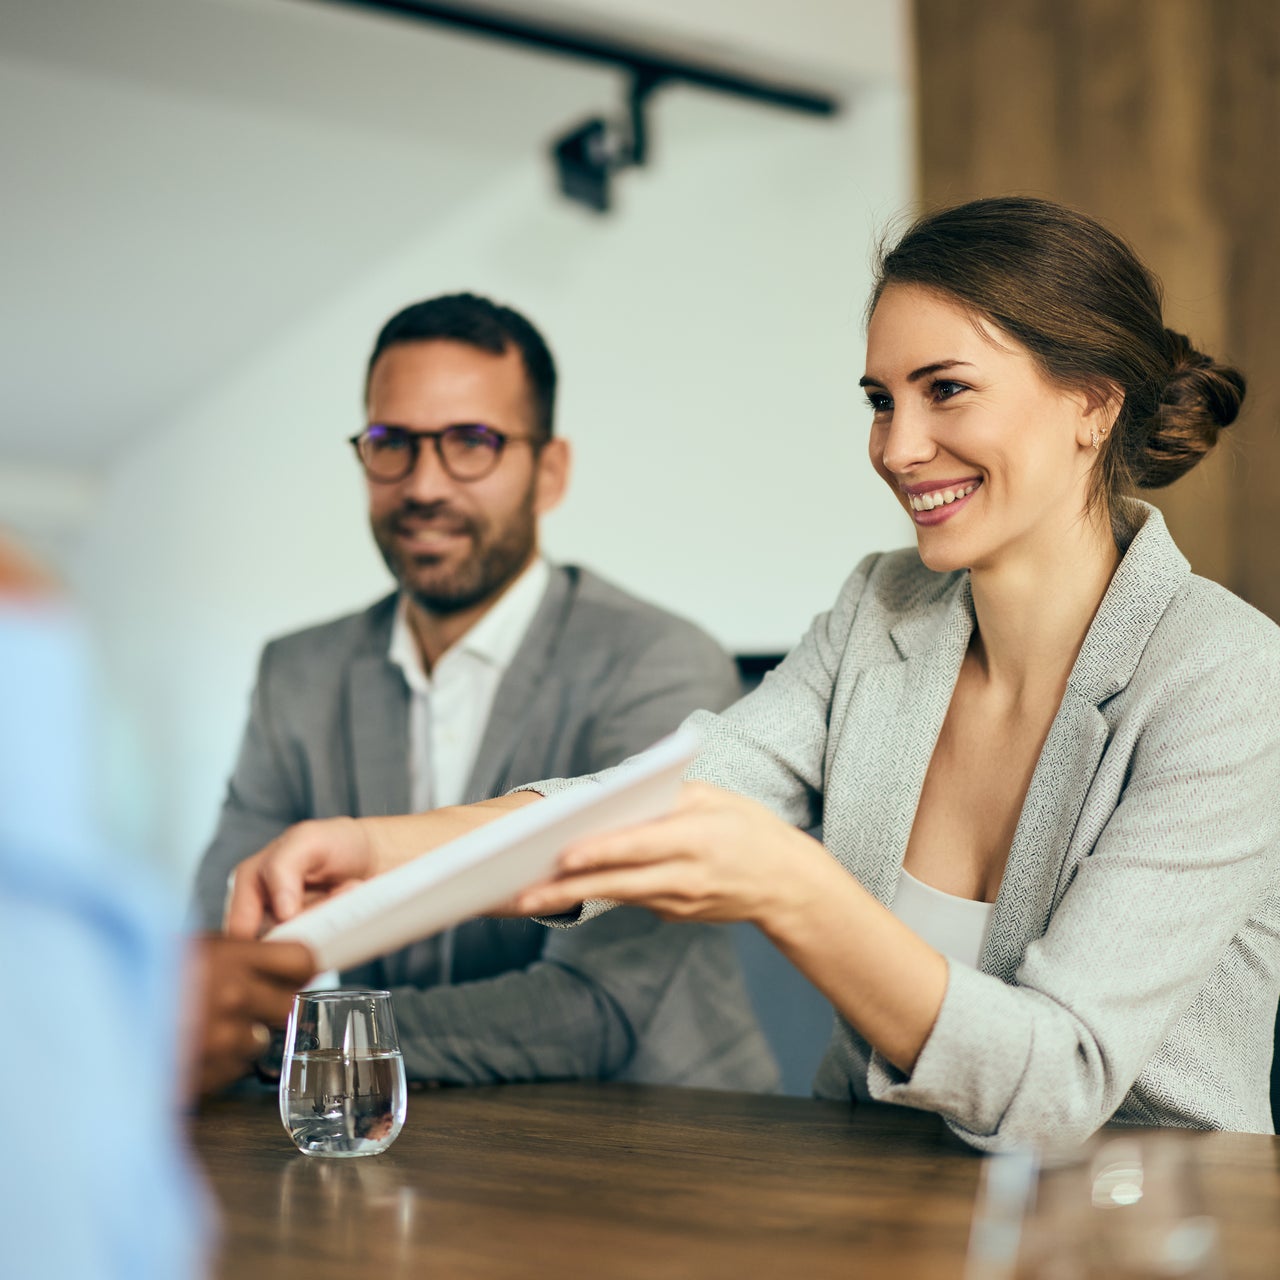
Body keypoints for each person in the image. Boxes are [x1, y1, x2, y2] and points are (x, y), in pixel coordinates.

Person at [226, 198, 1280, 1150]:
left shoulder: (1224, 676)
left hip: (1149, 1228)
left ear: (1089, 404)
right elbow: (662, 797)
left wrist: (794, 889)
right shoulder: (882, 609)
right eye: (879, 398)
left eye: (944, 391)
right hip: (876, 1202)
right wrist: (380, 849)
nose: (897, 447)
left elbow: (1060, 1076)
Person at [192, 292, 778, 1092]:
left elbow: (593, 1009)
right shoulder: (297, 674)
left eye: (472, 442)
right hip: (398, 1148)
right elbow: (225, 931)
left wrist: (294, 1044)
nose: (424, 485)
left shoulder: (658, 662)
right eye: (391, 442)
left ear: (550, 472)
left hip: (652, 1151)